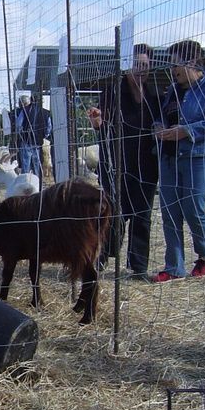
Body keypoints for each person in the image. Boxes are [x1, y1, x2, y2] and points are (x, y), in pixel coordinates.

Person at [150, 39, 205, 283]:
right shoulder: (172, 90)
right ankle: (174, 267)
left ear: (191, 62)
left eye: (175, 64)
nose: (173, 70)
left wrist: (186, 131)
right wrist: (159, 127)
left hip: (198, 158)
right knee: (170, 212)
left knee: (194, 208)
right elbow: (163, 116)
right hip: (169, 157)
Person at [87, 43, 162, 280]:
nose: (141, 69)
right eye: (137, 65)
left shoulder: (154, 95)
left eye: (145, 65)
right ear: (127, 66)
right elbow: (101, 126)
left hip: (146, 166)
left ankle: (138, 267)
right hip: (115, 165)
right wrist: (97, 121)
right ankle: (101, 258)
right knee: (114, 215)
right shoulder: (112, 93)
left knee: (143, 215)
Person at [13, 94, 52, 178]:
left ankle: (25, 182)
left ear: (22, 103)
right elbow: (49, 128)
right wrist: (43, 135)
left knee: (26, 165)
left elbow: (18, 125)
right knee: (37, 165)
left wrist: (20, 134)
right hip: (38, 143)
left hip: (26, 141)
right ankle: (37, 184)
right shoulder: (45, 112)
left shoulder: (23, 111)